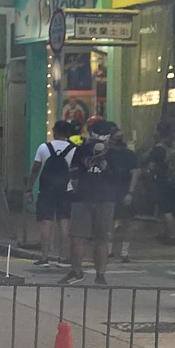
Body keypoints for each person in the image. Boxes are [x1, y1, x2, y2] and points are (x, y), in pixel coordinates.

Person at [63, 120, 120, 285]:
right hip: (92, 198)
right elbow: (74, 172)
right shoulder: (83, 150)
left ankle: (88, 273)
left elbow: (73, 174)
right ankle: (91, 274)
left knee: (91, 238)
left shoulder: (112, 153)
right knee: (91, 238)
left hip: (96, 198)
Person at [24, 120, 75, 268]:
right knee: (64, 223)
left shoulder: (44, 148)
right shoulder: (73, 149)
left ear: (54, 131)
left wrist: (29, 188)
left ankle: (44, 257)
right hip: (66, 190)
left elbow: (35, 169)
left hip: (46, 190)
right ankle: (63, 258)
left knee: (46, 223)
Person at [145, 122, 175, 245]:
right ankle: (166, 232)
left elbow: (151, 165)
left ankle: (171, 235)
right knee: (169, 208)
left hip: (163, 181)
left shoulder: (158, 148)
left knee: (165, 209)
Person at [107, 130, 141, 263]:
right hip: (123, 190)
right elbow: (135, 174)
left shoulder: (108, 154)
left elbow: (135, 173)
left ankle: (110, 250)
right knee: (126, 222)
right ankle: (124, 251)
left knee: (110, 221)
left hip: (112, 190)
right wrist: (130, 192)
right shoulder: (129, 154)